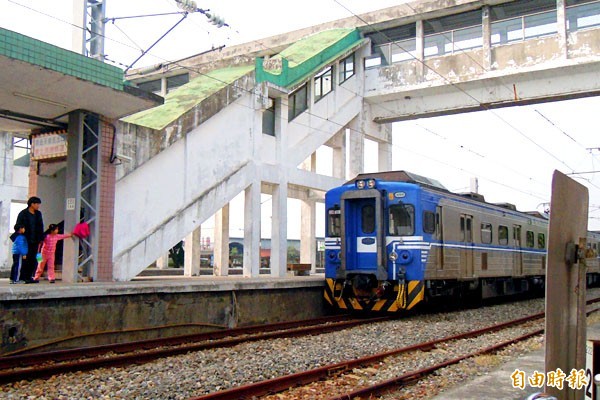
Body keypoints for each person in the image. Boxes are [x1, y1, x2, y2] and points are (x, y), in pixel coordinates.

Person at [15, 197, 44, 283]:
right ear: (32, 204)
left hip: (35, 240)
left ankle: (30, 276)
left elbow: (41, 226)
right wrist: (21, 230)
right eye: (37, 204)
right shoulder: (23, 214)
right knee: (25, 259)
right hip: (25, 240)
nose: (38, 206)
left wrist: (41, 238)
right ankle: (22, 277)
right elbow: (17, 226)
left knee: (33, 259)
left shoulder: (38, 214)